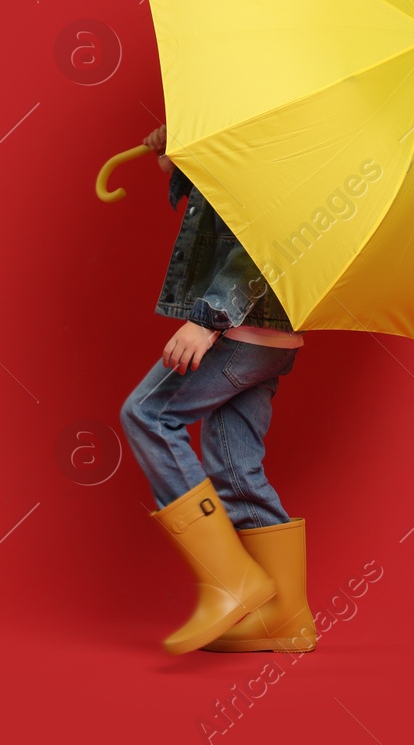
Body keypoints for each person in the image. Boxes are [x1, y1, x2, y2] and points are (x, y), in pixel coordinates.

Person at [119, 124, 317, 655]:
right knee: (235, 464)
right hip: (271, 336)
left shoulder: (275, 146)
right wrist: (177, 154)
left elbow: (268, 236)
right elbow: (218, 207)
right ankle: (286, 619)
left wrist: (209, 321)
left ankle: (231, 580)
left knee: (148, 414)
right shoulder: (254, 137)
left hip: (240, 327)